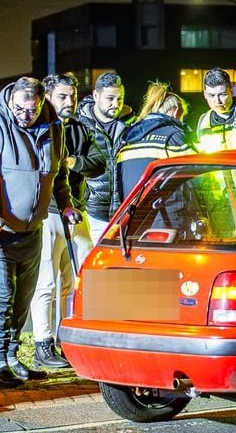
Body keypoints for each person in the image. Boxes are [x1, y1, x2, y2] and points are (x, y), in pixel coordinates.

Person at [0, 77, 76, 390]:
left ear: (40, 103)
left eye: (32, 110)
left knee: (24, 296)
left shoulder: (53, 127)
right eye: (20, 110)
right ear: (12, 102)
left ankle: (12, 357)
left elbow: (59, 174)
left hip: (32, 227)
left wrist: (66, 205)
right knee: (0, 295)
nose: (26, 116)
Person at [28, 73, 102, 371]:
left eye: (72, 96)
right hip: (48, 213)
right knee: (45, 280)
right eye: (62, 96)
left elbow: (98, 163)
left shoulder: (80, 130)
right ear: (47, 97)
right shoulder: (38, 129)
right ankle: (41, 344)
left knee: (73, 280)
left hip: (75, 210)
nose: (69, 101)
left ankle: (65, 338)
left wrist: (74, 163)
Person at [113, 82, 197, 210]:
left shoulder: (128, 138)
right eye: (182, 116)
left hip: (132, 218)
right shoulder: (174, 137)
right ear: (176, 112)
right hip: (168, 218)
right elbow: (198, 176)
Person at [78, 72, 130, 245]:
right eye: (110, 98)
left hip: (123, 212)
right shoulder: (79, 126)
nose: (116, 104)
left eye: (120, 98)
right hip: (91, 212)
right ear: (95, 95)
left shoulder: (131, 124)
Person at [194, 68, 236, 152]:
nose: (217, 101)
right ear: (205, 94)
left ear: (231, 90)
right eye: (211, 95)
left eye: (222, 94)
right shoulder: (203, 121)